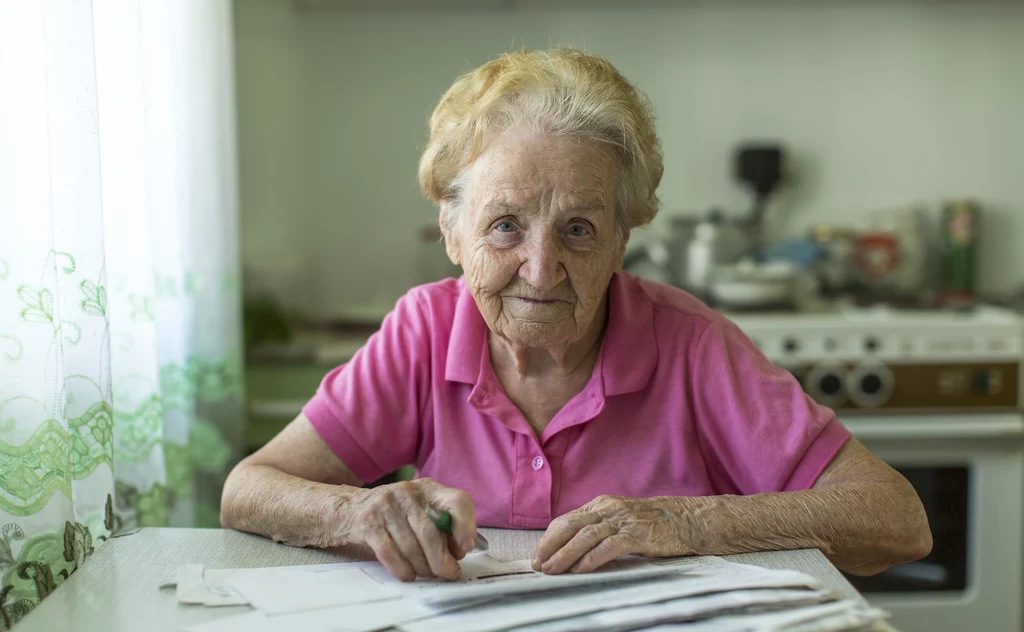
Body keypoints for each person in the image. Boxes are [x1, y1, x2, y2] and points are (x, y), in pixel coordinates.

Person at [221, 49, 931, 582]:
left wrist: (688, 519)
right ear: (452, 229)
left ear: (623, 238)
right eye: (505, 225)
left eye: (579, 229)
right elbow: (248, 490)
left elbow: (897, 520)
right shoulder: (426, 330)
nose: (540, 268)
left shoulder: (690, 345)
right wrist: (362, 510)